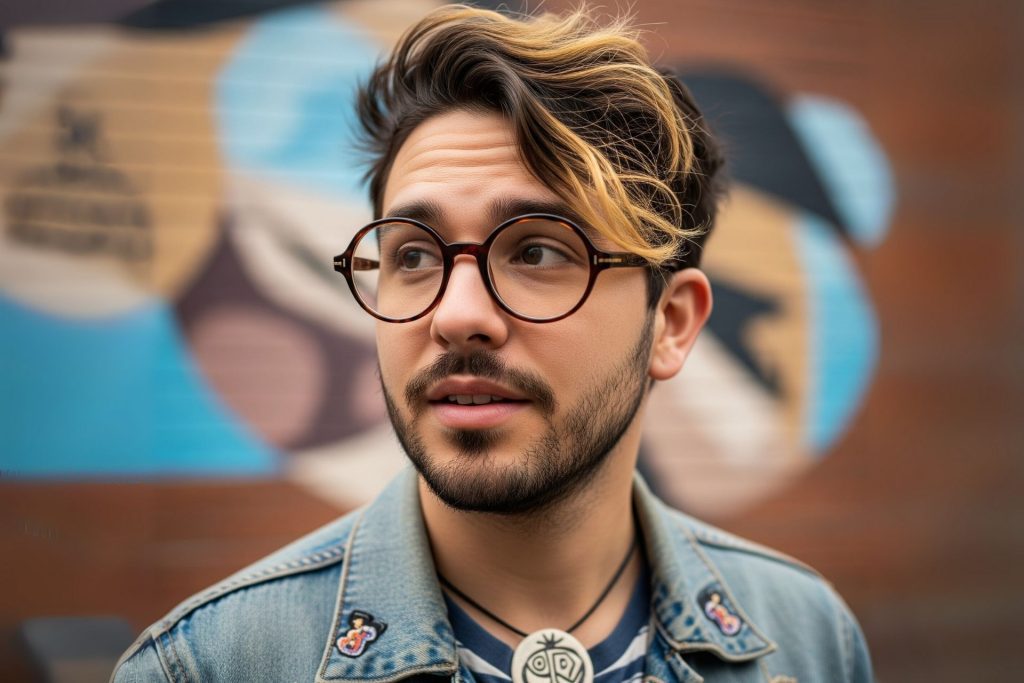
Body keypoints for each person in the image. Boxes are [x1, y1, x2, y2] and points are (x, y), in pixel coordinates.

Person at [111, 5, 873, 682]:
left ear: (670, 323)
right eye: (413, 255)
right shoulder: (210, 664)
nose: (456, 315)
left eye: (538, 251)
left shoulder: (804, 639)